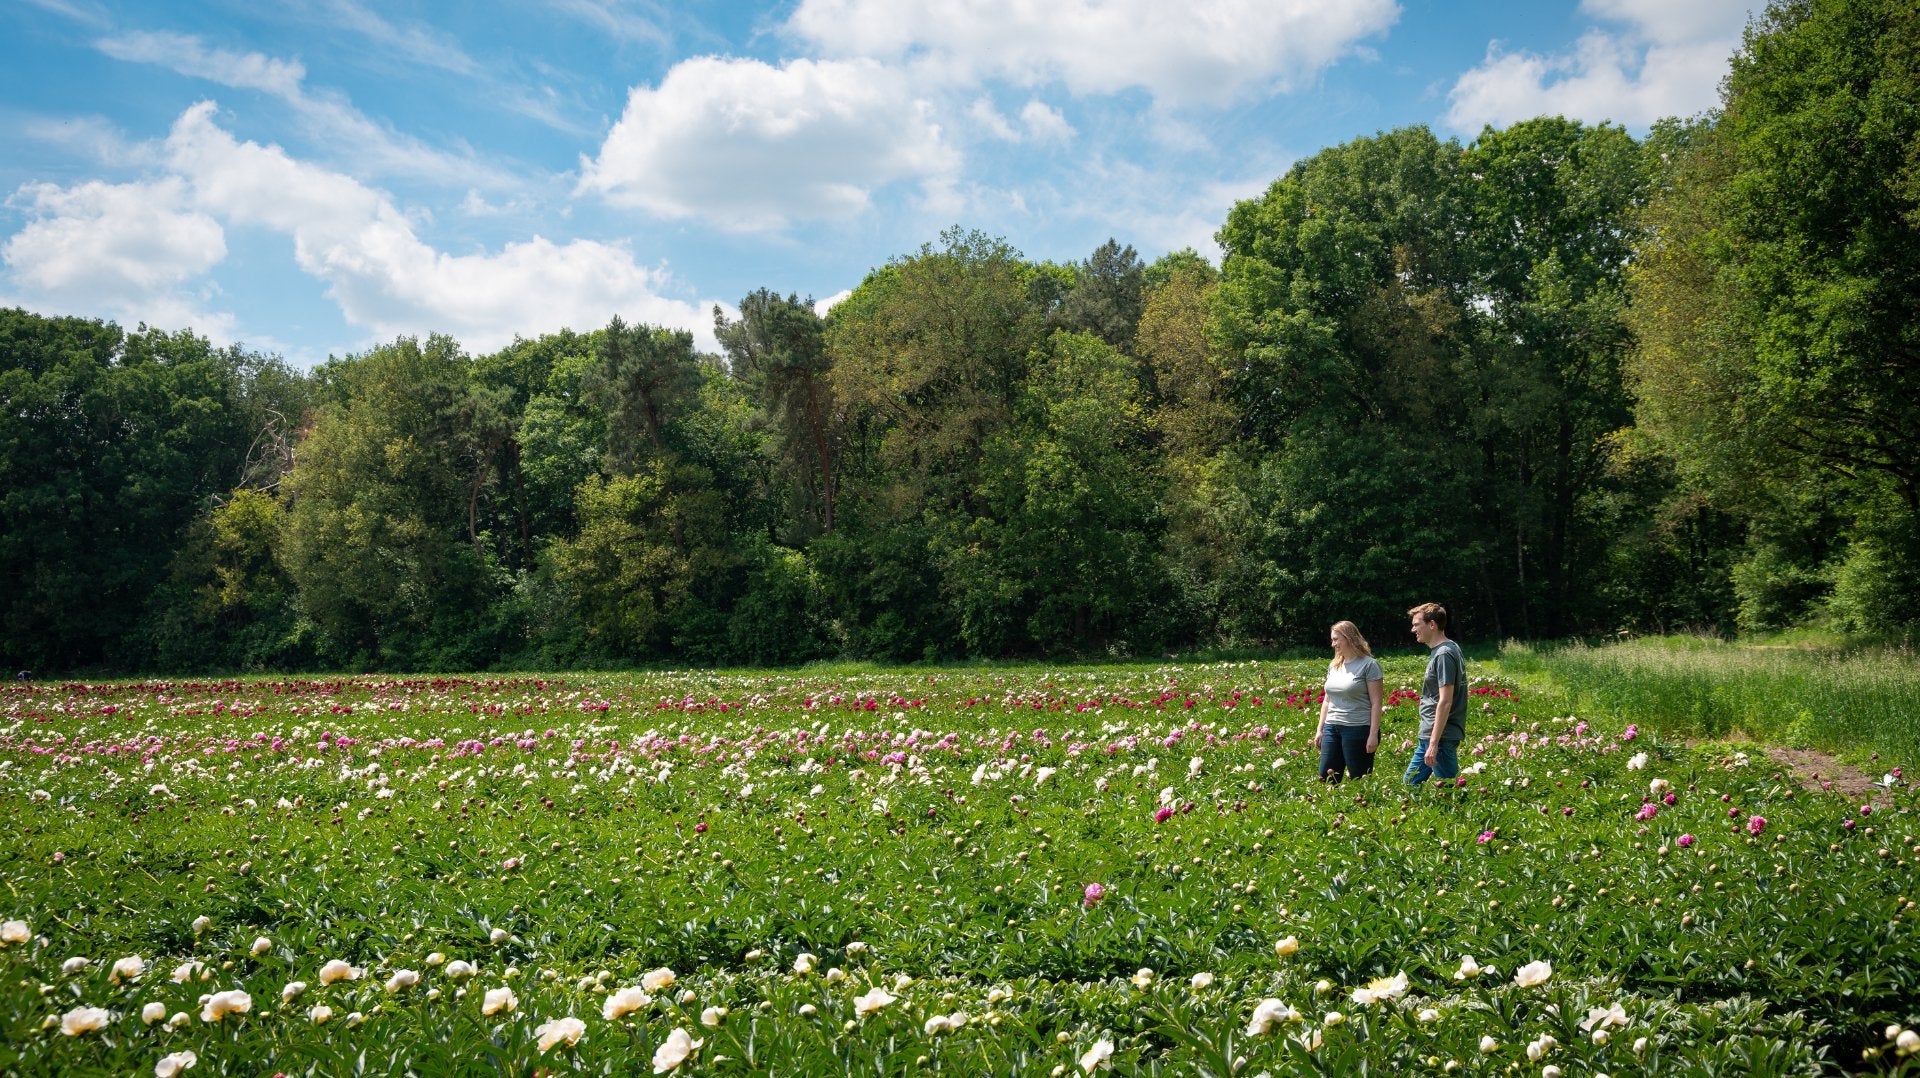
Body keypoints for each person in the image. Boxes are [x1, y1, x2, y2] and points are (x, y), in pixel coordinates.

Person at [1405, 602, 1466, 786]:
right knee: (1410, 783)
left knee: (1449, 789)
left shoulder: (1443, 654)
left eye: (1416, 625)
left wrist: (1433, 743)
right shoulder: (1449, 648)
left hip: (1440, 736)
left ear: (1432, 625)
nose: (1413, 630)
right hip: (1433, 734)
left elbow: (1445, 701)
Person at [1314, 620, 1384, 781]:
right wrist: (1320, 729)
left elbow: (1376, 703)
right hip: (1331, 727)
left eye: (1336, 639)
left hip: (1358, 729)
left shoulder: (1369, 665)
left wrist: (1373, 734)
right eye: (1332, 640)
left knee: (1359, 778)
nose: (1333, 644)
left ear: (1349, 638)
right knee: (1326, 777)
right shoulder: (1334, 665)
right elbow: (1327, 700)